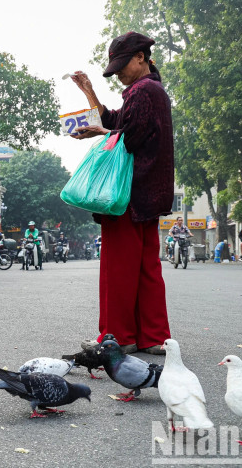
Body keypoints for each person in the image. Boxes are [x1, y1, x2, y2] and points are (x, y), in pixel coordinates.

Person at [70, 31, 173, 355]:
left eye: (122, 66)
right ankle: (154, 337)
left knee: (117, 269)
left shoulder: (141, 91)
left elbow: (128, 138)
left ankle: (118, 337)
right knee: (146, 269)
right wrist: (90, 93)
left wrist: (102, 132)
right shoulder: (153, 90)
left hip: (127, 194)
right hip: (149, 193)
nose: (119, 75)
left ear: (140, 57)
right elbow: (120, 121)